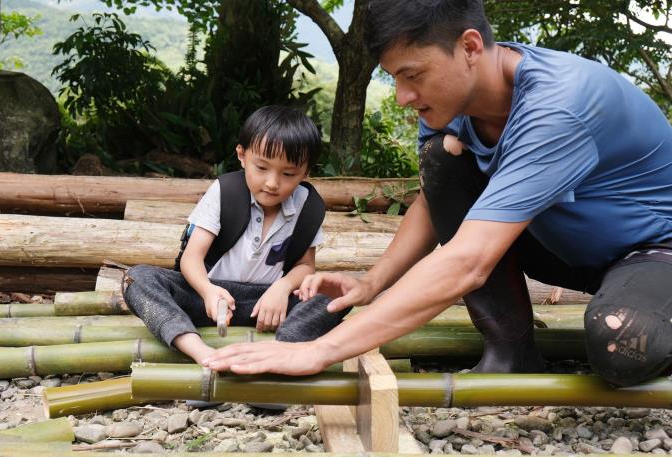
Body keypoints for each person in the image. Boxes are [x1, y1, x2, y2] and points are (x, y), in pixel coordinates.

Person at [203, 0, 672, 387]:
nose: (404, 96)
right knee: (443, 161)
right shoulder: (452, 104)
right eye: (395, 79)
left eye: (413, 75)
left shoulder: (559, 107)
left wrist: (321, 350)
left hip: (653, 253)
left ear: (469, 47)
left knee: (621, 344)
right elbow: (435, 200)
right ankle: (511, 353)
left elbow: (467, 260)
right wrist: (372, 283)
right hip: (567, 248)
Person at [123, 105, 346, 365]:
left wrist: (282, 289)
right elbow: (191, 258)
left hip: (266, 304)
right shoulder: (224, 192)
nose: (272, 183)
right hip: (210, 298)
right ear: (242, 155)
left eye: (288, 174)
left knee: (335, 294)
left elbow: (306, 266)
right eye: (262, 168)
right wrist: (207, 290)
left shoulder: (308, 206)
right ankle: (198, 350)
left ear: (306, 172)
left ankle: (280, 354)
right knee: (137, 278)